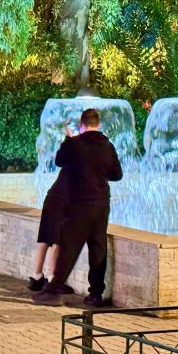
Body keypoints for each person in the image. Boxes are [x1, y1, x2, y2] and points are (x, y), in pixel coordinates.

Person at [33, 108, 122, 307]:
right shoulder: (107, 145)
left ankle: (54, 290)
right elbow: (117, 175)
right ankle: (96, 294)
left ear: (82, 124)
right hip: (101, 203)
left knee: (69, 246)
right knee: (98, 248)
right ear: (98, 124)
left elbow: (59, 161)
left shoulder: (76, 144)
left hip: (80, 203)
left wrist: (68, 139)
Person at [27, 119, 76, 291]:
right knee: (58, 241)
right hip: (64, 200)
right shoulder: (82, 157)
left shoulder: (69, 154)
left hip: (52, 197)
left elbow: (64, 152)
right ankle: (52, 279)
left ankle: (36, 276)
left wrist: (67, 134)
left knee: (45, 237)